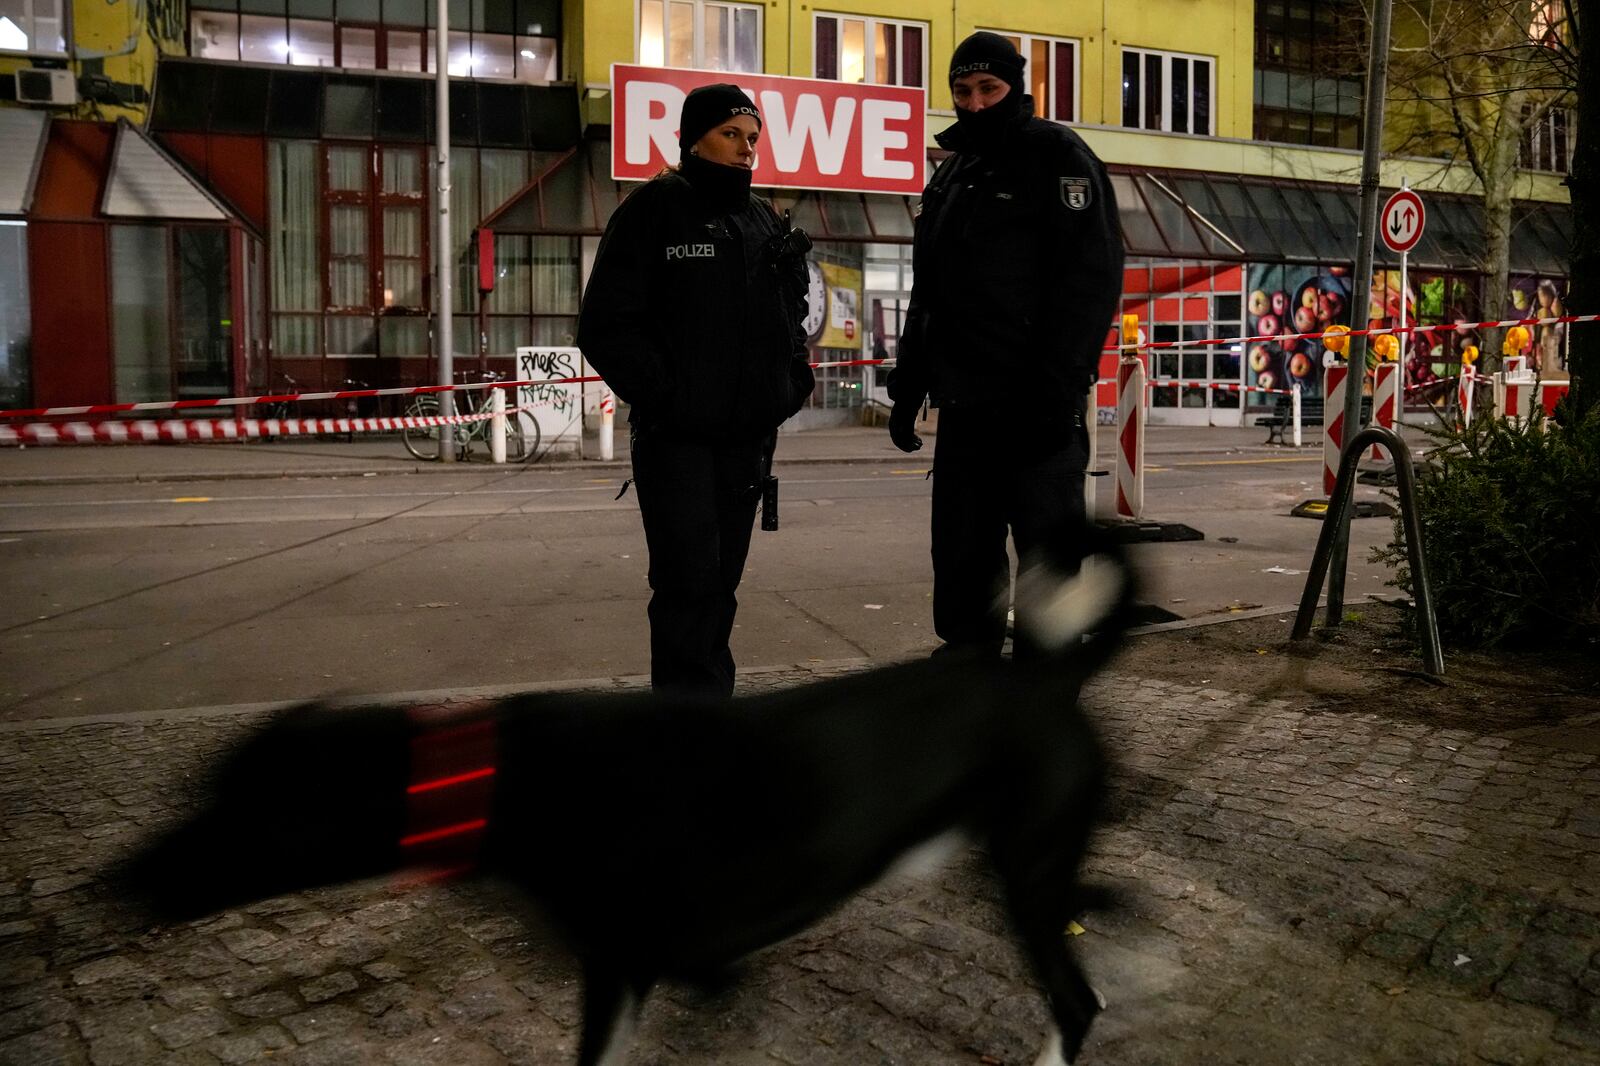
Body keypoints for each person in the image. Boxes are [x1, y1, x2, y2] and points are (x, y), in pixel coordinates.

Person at [887, 32, 1123, 658]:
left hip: (1037, 411)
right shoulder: (954, 175)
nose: (975, 102)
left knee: (1050, 568)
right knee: (963, 565)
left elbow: (1090, 284)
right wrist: (908, 382)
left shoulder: (1059, 158)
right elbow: (930, 293)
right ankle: (969, 695)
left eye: (988, 89)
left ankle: (1046, 710)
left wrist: (1059, 389)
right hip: (966, 410)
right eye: (963, 91)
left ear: (1016, 88)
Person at [577, 84, 816, 699]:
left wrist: (789, 384)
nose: (746, 150)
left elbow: (789, 316)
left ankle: (710, 720)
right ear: (692, 137)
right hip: (676, 441)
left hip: (745, 441)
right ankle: (683, 729)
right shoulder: (652, 209)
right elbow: (606, 325)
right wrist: (669, 398)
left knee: (721, 586)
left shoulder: (761, 218)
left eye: (753, 139)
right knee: (687, 584)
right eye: (731, 134)